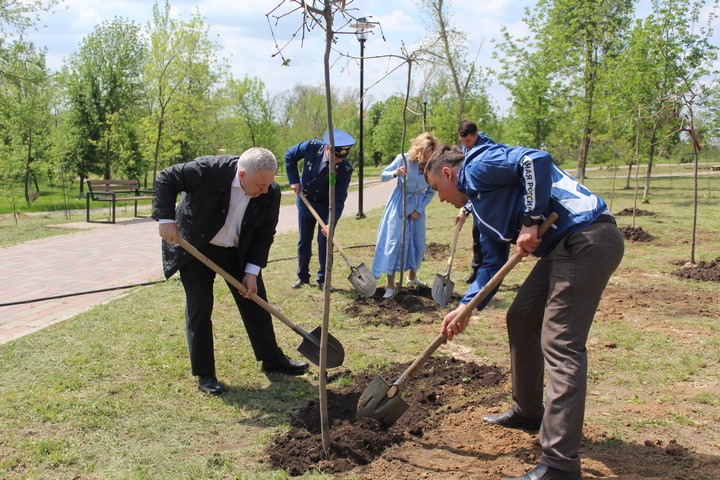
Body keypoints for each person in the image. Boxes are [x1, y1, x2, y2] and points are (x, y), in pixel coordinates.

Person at [424, 140, 624, 480]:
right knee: (521, 317)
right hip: (561, 248)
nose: (440, 198)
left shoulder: (477, 165)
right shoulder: (480, 208)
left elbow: (535, 160)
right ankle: (528, 411)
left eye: (436, 188)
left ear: (447, 173)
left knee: (561, 344)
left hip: (587, 237)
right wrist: (465, 308)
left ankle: (560, 465)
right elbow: (491, 265)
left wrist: (531, 221)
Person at [152, 148, 309, 396]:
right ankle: (205, 373)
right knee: (200, 307)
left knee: (255, 301)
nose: (264, 190)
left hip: (235, 250)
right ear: (242, 174)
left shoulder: (270, 192)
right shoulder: (208, 170)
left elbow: (264, 234)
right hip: (196, 244)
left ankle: (272, 359)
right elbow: (166, 177)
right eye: (259, 185)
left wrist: (252, 271)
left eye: (268, 184)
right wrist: (165, 219)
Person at [285, 129, 355, 291]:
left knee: (325, 243)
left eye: (342, 158)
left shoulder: (345, 169)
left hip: (326, 207)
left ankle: (324, 280)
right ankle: (302, 275)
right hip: (306, 201)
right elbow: (289, 156)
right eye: (336, 157)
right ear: (328, 148)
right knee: (304, 241)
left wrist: (331, 222)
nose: (338, 161)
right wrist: (294, 180)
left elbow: (339, 199)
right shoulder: (312, 146)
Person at [371, 133, 439, 299]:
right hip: (399, 204)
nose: (426, 159)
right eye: (425, 155)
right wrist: (395, 173)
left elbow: (431, 191)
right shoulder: (403, 159)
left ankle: (411, 277)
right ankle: (390, 285)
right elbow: (383, 175)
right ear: (418, 151)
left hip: (417, 206)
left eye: (430, 155)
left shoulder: (432, 165)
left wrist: (419, 209)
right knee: (394, 243)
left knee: (417, 242)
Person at [457, 120, 486, 284]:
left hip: (487, 200)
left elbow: (481, 186)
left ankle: (488, 272)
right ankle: (476, 270)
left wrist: (467, 207)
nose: (465, 145)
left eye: (468, 141)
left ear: (476, 135)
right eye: (462, 141)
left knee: (486, 237)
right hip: (475, 199)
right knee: (476, 234)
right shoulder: (466, 147)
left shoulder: (486, 150)